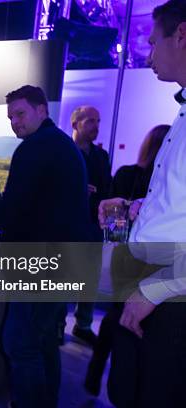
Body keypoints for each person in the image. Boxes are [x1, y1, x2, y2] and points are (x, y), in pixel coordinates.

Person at [0, 85, 92, 408]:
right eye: (11, 117)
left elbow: (14, 207)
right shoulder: (61, 145)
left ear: (43, 110)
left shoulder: (35, 148)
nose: (15, 122)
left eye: (21, 113)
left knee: (19, 343)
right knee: (42, 342)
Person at [98, 1, 186, 406]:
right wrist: (137, 208)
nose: (148, 55)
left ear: (181, 35)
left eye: (153, 42)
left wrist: (156, 290)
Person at [84, 124, 169, 397]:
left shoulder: (126, 175)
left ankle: (97, 376)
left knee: (116, 316)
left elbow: (112, 226)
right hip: (155, 265)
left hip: (124, 259)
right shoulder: (165, 187)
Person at [64, 105, 112, 346]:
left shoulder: (101, 157)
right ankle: (57, 326)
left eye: (98, 121)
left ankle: (83, 324)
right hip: (68, 225)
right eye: (90, 121)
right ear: (75, 124)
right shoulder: (63, 152)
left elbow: (108, 190)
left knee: (89, 277)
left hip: (93, 225)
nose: (96, 126)